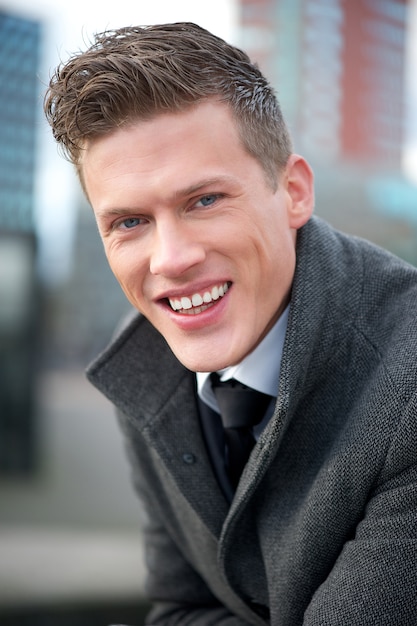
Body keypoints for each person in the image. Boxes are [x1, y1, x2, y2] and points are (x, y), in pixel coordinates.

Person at [44, 22, 417, 626]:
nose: (171, 259)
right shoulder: (142, 359)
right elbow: (180, 607)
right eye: (130, 222)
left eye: (204, 201)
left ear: (293, 191)